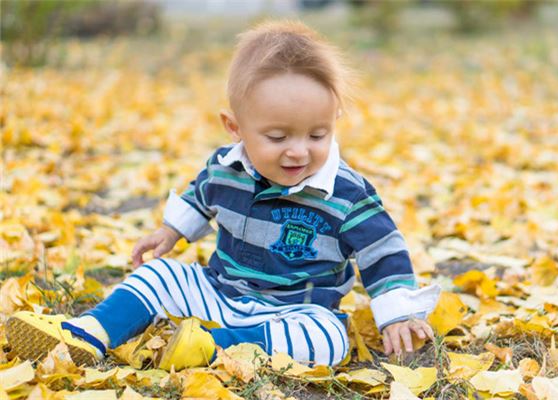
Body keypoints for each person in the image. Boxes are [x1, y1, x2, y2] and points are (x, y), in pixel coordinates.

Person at [7, 19, 441, 370]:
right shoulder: (227, 167)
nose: (298, 150)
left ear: (334, 120)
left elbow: (384, 251)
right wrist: (171, 231)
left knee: (328, 339)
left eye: (317, 134)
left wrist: (396, 311)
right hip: (219, 291)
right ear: (235, 128)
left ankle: (212, 347)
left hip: (291, 313)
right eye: (277, 136)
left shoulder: (346, 194)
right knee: (157, 276)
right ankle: (90, 332)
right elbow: (202, 194)